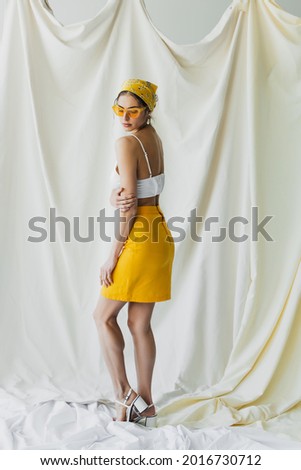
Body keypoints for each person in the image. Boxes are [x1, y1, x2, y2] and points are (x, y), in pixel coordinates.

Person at [92, 79, 174, 427]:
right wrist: (116, 196)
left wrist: (113, 254)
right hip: (159, 230)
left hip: (138, 233)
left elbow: (129, 208)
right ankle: (147, 405)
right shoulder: (152, 138)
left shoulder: (126, 143)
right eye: (119, 110)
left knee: (102, 317)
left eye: (133, 111)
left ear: (148, 110)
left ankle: (125, 394)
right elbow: (137, 191)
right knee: (139, 324)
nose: (125, 117)